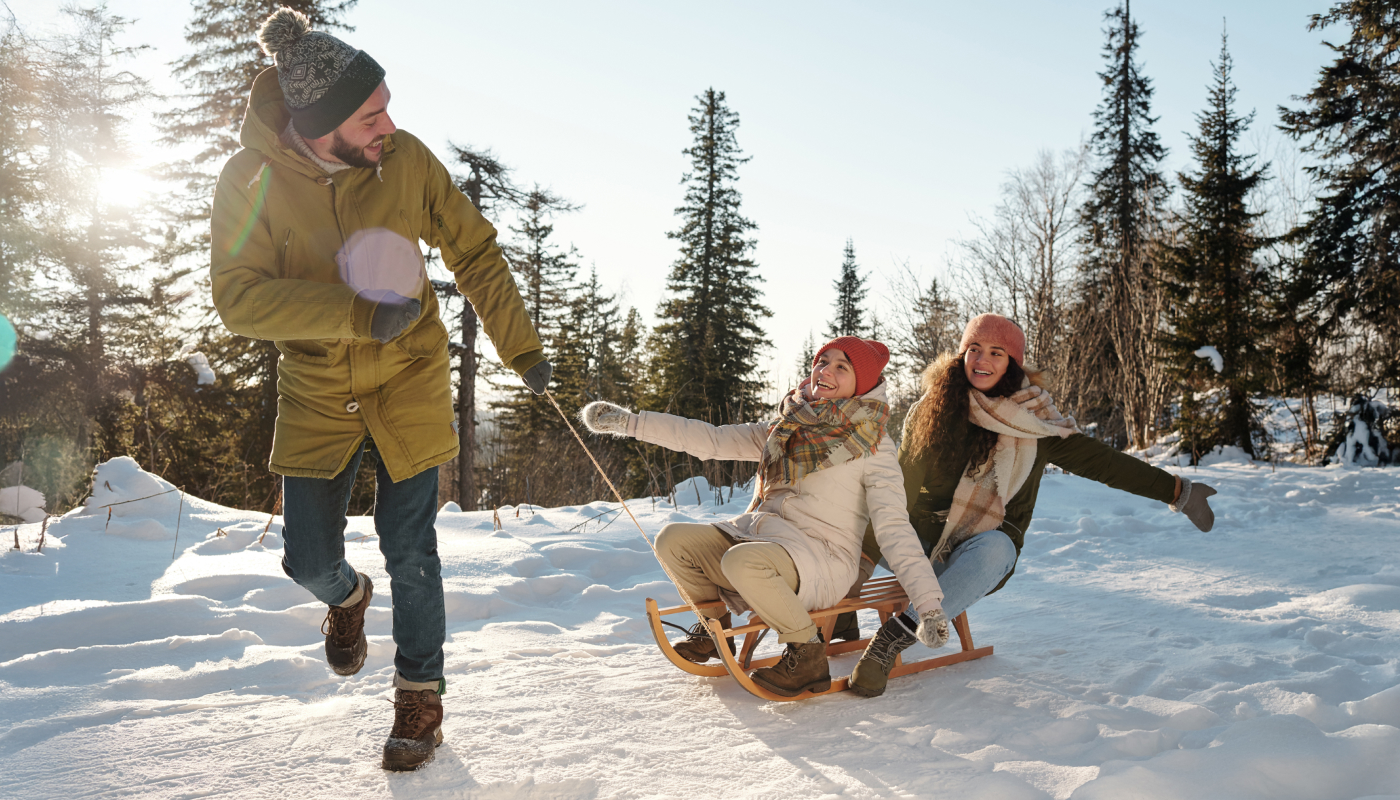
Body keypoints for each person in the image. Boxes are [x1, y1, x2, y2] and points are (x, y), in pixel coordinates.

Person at [208, 7, 550, 771]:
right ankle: (347, 598)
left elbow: (477, 255)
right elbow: (238, 297)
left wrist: (522, 350)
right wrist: (354, 314)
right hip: (319, 387)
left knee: (412, 547)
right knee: (305, 560)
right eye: (371, 115)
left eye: (387, 103)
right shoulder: (249, 181)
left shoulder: (408, 163)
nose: (388, 125)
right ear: (319, 126)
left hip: (410, 378)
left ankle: (419, 701)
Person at [848, 314, 1218, 697]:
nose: (982, 360)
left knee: (995, 550)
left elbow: (1105, 464)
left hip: (978, 551)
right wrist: (861, 559)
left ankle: (892, 639)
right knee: (857, 504)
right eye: (973, 349)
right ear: (961, 355)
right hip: (920, 541)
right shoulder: (933, 408)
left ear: (1013, 363)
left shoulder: (1037, 424)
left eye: (996, 352)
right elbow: (899, 490)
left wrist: (1178, 491)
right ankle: (840, 616)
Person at [582, 337, 948, 696]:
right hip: (764, 537)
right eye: (823, 361)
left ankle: (807, 653)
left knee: (743, 562)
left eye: (842, 367)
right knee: (673, 541)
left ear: (861, 384)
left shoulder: (874, 445)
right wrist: (630, 423)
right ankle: (714, 628)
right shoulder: (788, 427)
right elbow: (711, 439)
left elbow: (894, 527)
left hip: (823, 558)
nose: (827, 371)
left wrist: (928, 606)